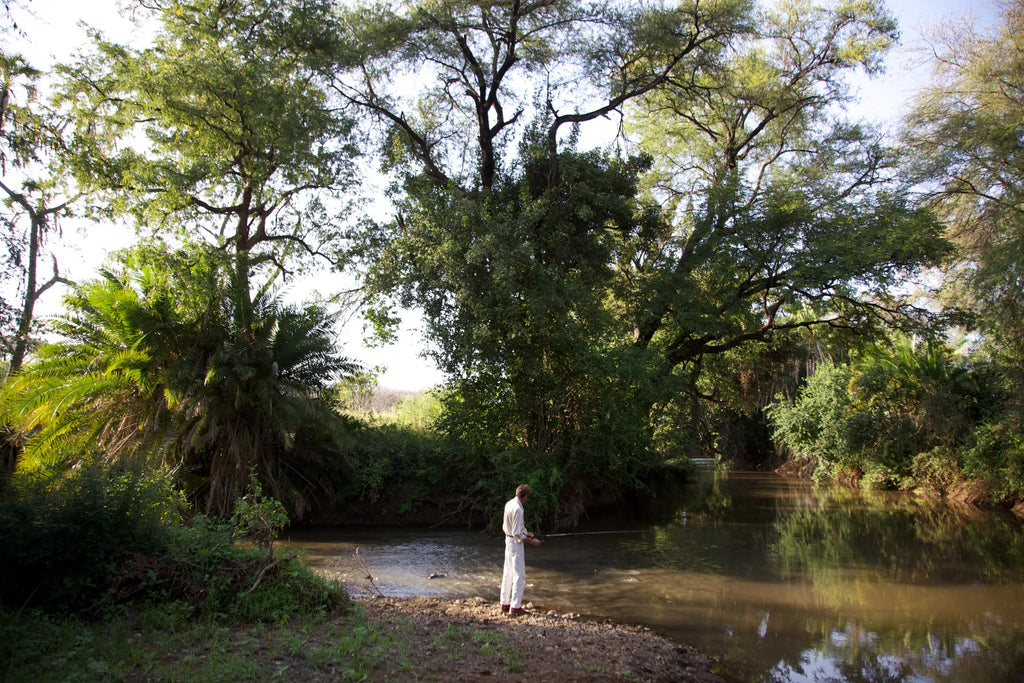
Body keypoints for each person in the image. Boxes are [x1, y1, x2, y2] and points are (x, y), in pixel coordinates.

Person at [500, 484, 542, 616]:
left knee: (508, 573)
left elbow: (514, 528)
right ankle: (515, 607)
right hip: (515, 544)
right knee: (520, 576)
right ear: (525, 496)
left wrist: (526, 533)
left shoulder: (509, 503)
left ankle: (504, 604)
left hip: (508, 540)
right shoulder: (518, 508)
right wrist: (532, 541)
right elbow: (517, 533)